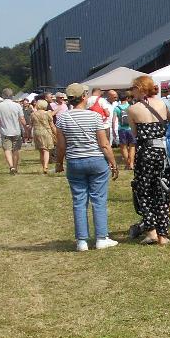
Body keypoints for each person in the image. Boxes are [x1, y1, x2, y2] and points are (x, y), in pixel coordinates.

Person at [54, 83, 119, 252]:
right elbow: (104, 144)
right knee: (99, 200)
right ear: (84, 96)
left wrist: (59, 162)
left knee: (79, 200)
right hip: (96, 160)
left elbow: (61, 146)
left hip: (75, 161)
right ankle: (101, 237)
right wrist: (113, 163)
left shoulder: (62, 118)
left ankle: (81, 241)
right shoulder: (94, 117)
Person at [127, 75, 170, 246]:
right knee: (162, 190)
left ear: (139, 88)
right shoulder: (162, 104)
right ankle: (163, 234)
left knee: (144, 191)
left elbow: (134, 135)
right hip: (163, 153)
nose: (131, 91)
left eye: (133, 88)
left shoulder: (133, 109)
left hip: (145, 153)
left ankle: (151, 231)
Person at [0, 88, 24, 174]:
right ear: (12, 95)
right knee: (16, 150)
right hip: (16, 131)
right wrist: (26, 128)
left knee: (7, 150)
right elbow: (21, 118)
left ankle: (11, 167)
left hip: (5, 131)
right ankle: (15, 166)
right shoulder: (17, 105)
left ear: (3, 96)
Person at [31, 99, 56, 174]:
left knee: (41, 150)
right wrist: (56, 133)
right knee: (46, 150)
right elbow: (52, 125)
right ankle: (45, 166)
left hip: (36, 132)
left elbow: (31, 123)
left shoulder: (33, 114)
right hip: (46, 132)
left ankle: (43, 166)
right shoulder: (47, 113)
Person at [113, 92, 136, 171]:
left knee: (124, 147)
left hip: (121, 129)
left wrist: (113, 130)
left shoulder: (116, 108)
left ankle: (127, 163)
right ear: (127, 98)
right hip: (131, 129)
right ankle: (132, 163)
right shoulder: (130, 106)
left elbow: (114, 120)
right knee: (132, 146)